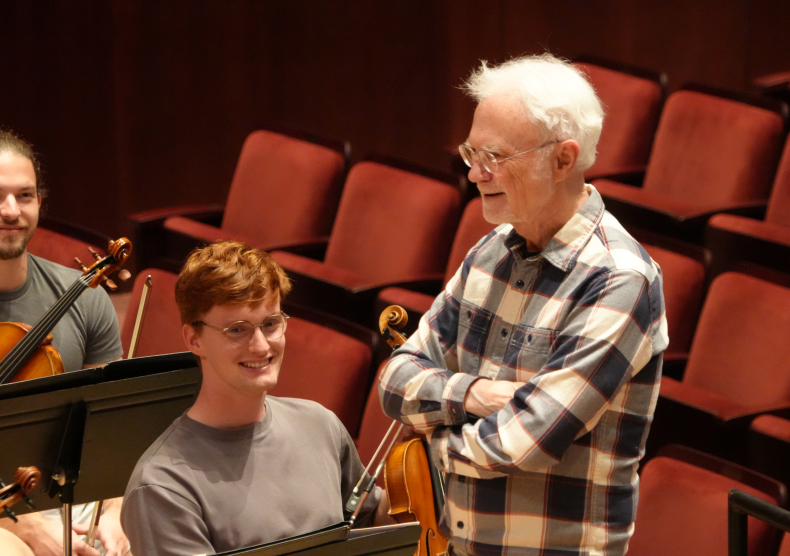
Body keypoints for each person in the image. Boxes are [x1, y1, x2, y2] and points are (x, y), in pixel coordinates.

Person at [379, 53, 668, 556]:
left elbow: (523, 442)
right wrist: (474, 394)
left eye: (495, 157)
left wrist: (426, 453)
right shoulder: (489, 253)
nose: (474, 174)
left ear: (562, 159)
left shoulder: (619, 280)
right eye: (471, 152)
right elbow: (396, 378)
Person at [121, 240, 390, 556]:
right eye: (237, 330)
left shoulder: (321, 425)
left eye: (271, 324)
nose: (262, 346)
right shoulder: (163, 487)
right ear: (194, 339)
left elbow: (373, 522)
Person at [0, 129, 127, 556]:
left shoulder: (85, 297)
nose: (11, 211)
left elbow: (108, 429)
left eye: (25, 195)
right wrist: (29, 528)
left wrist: (112, 511)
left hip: (66, 496)